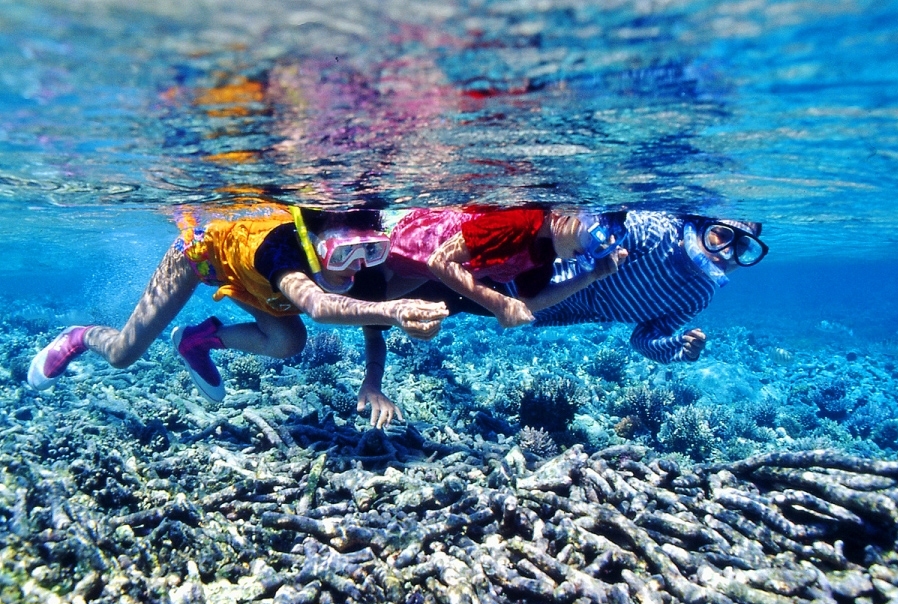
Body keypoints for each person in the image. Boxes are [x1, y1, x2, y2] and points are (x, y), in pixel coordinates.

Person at [28, 205, 450, 415]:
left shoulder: (364, 266)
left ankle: (196, 342)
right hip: (201, 256)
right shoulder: (281, 249)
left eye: (369, 251)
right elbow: (319, 306)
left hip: (253, 283)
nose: (355, 267)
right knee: (123, 354)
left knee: (288, 341)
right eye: (341, 254)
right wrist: (396, 309)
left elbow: (373, 328)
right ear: (312, 241)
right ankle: (79, 335)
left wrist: (372, 383)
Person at [533, 211, 768, 362]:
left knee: (497, 312)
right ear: (698, 225)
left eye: (742, 248)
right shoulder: (651, 232)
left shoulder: (698, 295)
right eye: (720, 235)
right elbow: (579, 232)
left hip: (557, 312)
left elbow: (642, 339)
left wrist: (679, 347)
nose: (726, 254)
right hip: (536, 269)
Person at [386, 203, 628, 328]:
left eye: (600, 245)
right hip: (397, 247)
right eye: (591, 236)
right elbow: (440, 260)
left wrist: (591, 276)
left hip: (420, 272)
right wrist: (498, 303)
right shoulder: (518, 222)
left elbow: (529, 302)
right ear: (564, 211)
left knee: (377, 301)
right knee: (361, 293)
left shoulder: (545, 250)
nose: (589, 251)